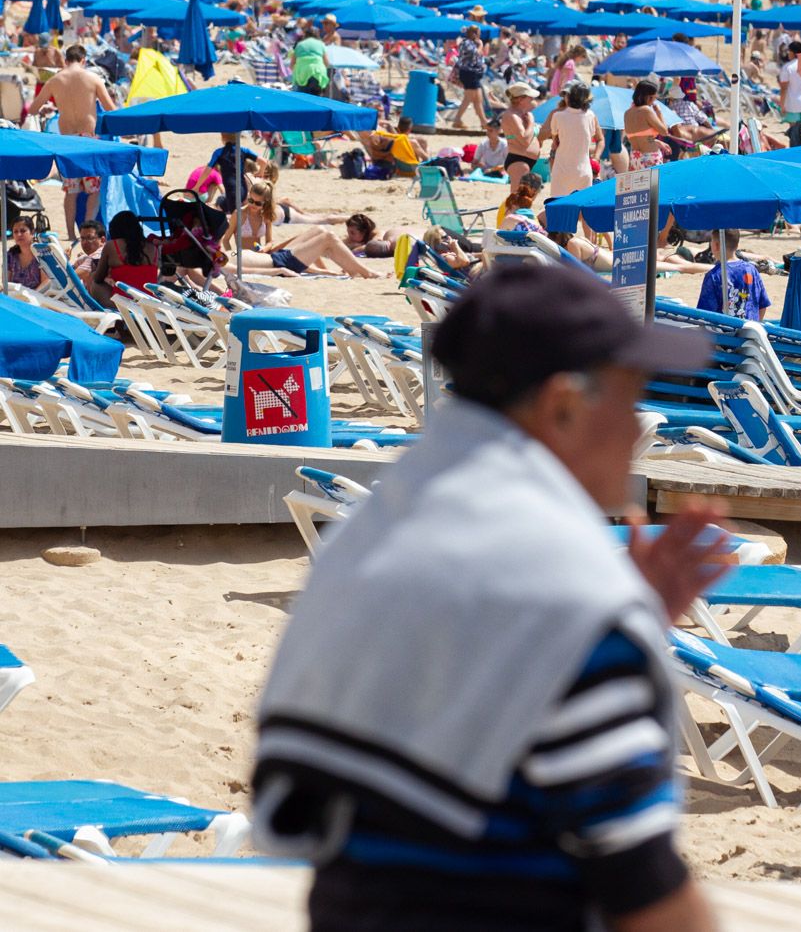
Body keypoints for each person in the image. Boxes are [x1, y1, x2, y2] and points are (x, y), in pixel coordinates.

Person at [251, 261, 722, 932]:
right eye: (631, 396)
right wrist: (609, 626)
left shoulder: (378, 535)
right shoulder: (572, 605)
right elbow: (647, 896)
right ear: (563, 406)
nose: (640, 428)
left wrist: (630, 614)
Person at [27, 44, 119, 237]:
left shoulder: (55, 80)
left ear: (66, 60)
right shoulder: (93, 78)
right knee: (94, 189)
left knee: (71, 190)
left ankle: (70, 234)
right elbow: (111, 109)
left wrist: (50, 107)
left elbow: (33, 109)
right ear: (83, 60)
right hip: (89, 141)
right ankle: (87, 228)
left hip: (67, 142)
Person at [236, 181, 380, 278]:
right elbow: (255, 269)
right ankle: (365, 272)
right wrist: (280, 271)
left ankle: (352, 270)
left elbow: (269, 243)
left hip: (274, 256)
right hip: (280, 261)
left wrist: (264, 248)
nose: (253, 205)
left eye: (257, 202)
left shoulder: (263, 217)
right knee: (328, 236)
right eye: (250, 201)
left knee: (320, 230)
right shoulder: (232, 257)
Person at [696, 232, 772, 320]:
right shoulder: (751, 269)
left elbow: (704, 313)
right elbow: (762, 305)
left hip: (723, 331)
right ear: (737, 245)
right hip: (751, 329)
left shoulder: (714, 276)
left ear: (716, 246)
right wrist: (755, 326)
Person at [544, 83, 602, 200]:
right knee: (584, 209)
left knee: (559, 208)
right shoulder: (590, 116)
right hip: (583, 170)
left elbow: (555, 139)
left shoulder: (558, 116)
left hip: (562, 169)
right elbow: (594, 137)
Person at [88, 209, 162, 295]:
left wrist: (94, 272)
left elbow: (98, 278)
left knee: (96, 285)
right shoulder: (152, 247)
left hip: (124, 302)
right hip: (149, 301)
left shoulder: (112, 245)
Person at [501, 82, 541, 187]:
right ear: (520, 99)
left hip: (525, 159)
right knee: (517, 197)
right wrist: (531, 122)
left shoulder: (522, 114)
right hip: (518, 159)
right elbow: (524, 140)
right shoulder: (512, 116)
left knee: (523, 196)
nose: (533, 98)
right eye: (530, 96)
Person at [449, 24, 489, 129]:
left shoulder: (470, 43)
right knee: (469, 98)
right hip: (469, 73)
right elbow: (475, 54)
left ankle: (484, 122)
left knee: (478, 99)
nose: (480, 36)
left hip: (474, 74)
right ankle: (457, 120)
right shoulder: (466, 43)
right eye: (479, 34)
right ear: (473, 34)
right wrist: (480, 45)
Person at [624, 80, 671, 167]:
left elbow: (639, 137)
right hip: (650, 157)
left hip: (635, 158)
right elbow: (664, 132)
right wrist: (659, 112)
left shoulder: (627, 113)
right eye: (654, 98)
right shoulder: (646, 110)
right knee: (656, 181)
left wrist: (657, 142)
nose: (654, 101)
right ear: (649, 97)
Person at [289, 24, 329, 95]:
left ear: (305, 35)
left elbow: (292, 64)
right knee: (316, 99)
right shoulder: (321, 44)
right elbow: (326, 63)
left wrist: (296, 71)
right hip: (318, 72)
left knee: (303, 99)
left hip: (302, 72)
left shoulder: (300, 44)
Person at [5, 218, 44, 290]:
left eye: (23, 231)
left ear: (32, 232)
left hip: (38, 297)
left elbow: (46, 282)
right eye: (15, 232)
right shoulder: (11, 255)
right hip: (15, 297)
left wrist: (31, 297)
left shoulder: (41, 254)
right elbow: (6, 282)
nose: (19, 234)